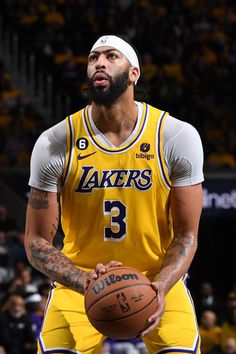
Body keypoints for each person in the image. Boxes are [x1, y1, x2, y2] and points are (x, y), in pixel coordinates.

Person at [24, 35, 204, 354]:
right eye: (93, 58)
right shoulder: (55, 142)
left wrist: (161, 285)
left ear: (134, 72)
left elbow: (187, 234)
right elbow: (36, 241)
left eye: (111, 56)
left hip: (157, 279)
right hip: (78, 282)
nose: (100, 63)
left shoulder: (175, 136)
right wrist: (84, 283)